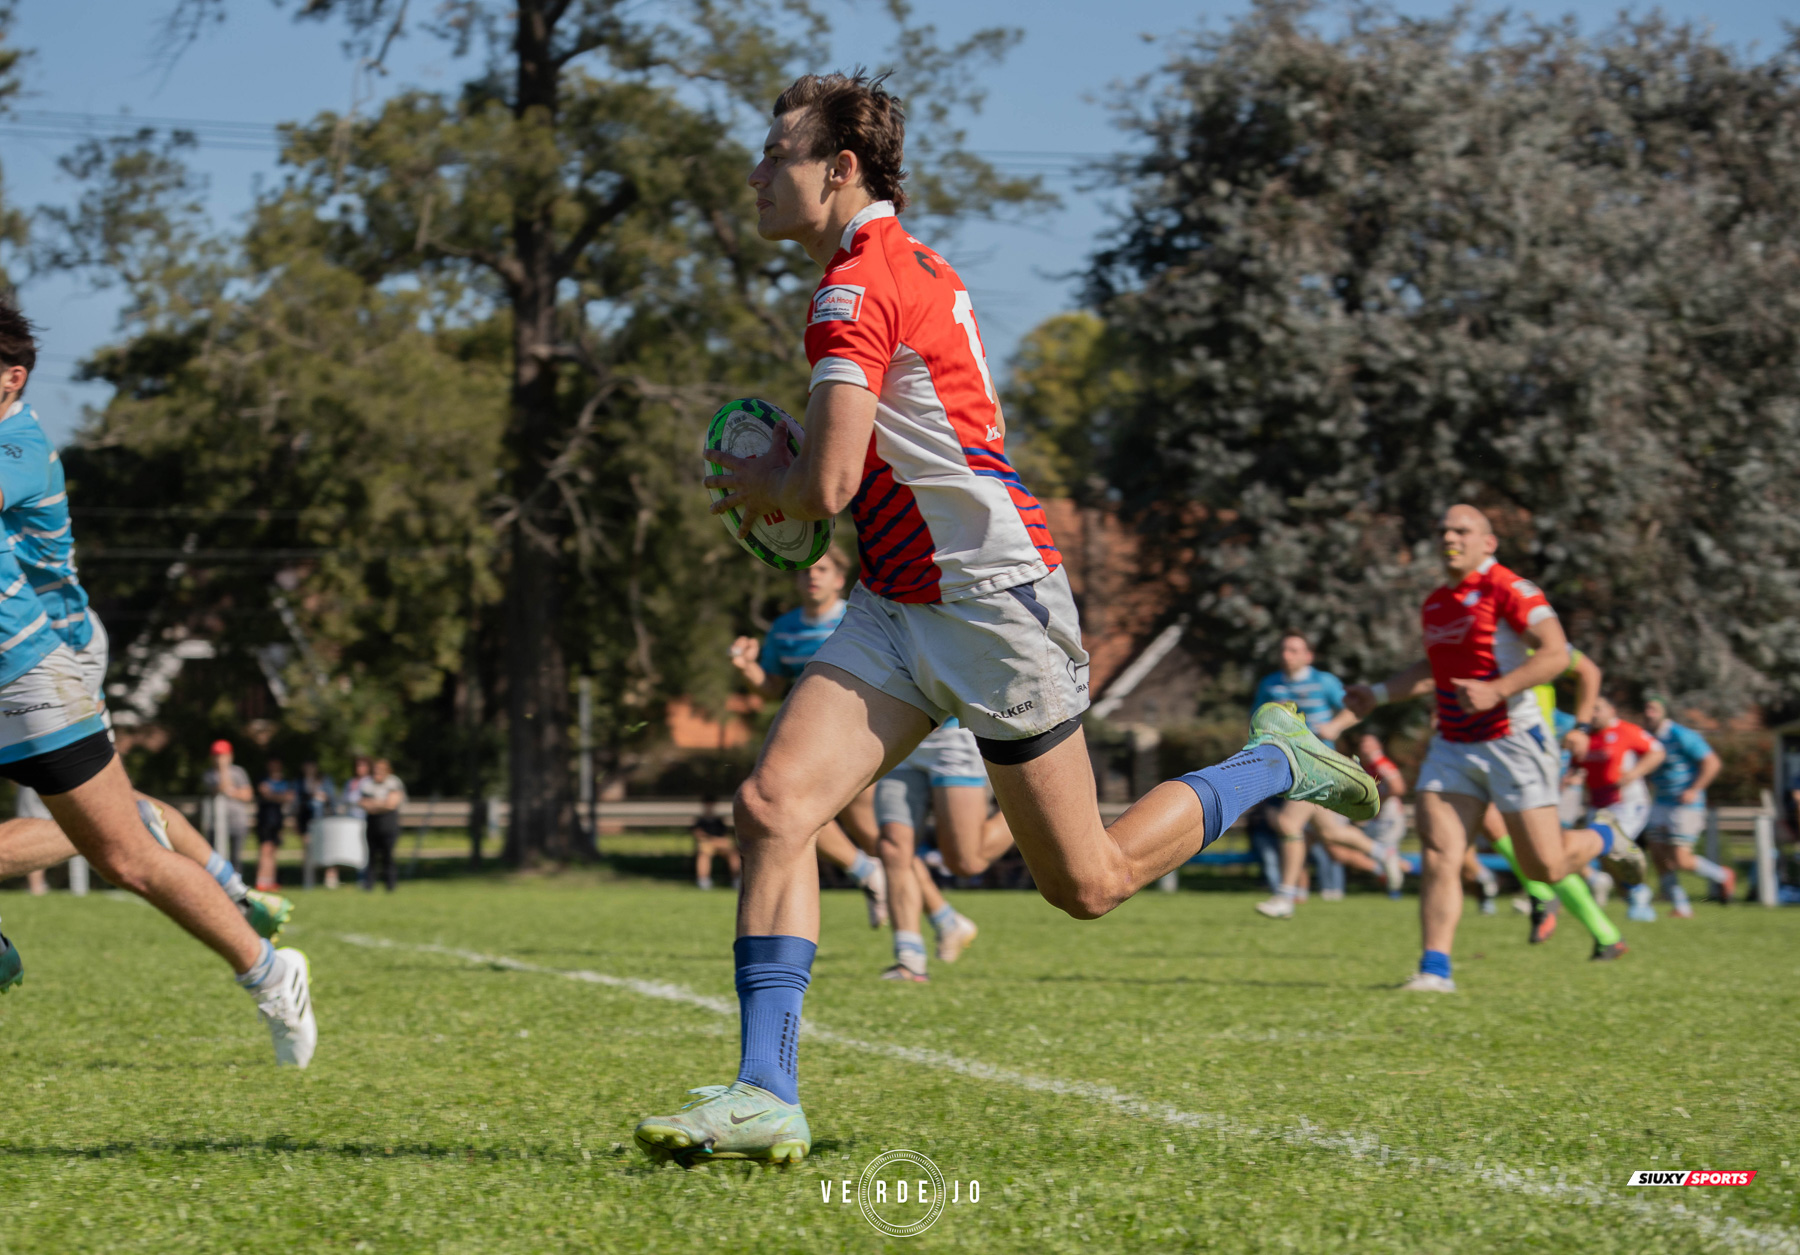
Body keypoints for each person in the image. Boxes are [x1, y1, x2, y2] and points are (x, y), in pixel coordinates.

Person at [633, 72, 1375, 1164]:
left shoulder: (852, 289)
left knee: (1088, 883)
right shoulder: (905, 263)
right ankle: (765, 1094)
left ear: (841, 169)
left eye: (777, 152)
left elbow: (826, 486)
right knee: (773, 806)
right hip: (900, 598)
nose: (757, 173)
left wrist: (763, 485)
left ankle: (1274, 762)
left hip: (991, 605)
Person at [0, 302, 313, 1062]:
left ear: (10, 379)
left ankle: (271, 973)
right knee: (111, 836)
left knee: (124, 857)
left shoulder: (18, 444)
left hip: (35, 667)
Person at [1347, 504, 1646, 991]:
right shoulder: (1437, 602)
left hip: (1515, 740)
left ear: (1488, 542)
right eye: (1443, 530)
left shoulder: (1511, 588)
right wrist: (1378, 693)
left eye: (1462, 530)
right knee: (1440, 852)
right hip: (1453, 743)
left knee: (1543, 866)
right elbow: (1433, 670)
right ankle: (1435, 970)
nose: (1450, 537)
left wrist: (1498, 690)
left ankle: (1606, 836)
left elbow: (1556, 653)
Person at [730, 548, 890, 925]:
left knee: (869, 834)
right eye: (805, 571)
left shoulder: (858, 619)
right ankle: (906, 898)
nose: (812, 576)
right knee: (793, 811)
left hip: (859, 736)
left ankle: (902, 896)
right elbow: (772, 687)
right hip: (807, 742)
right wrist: (747, 668)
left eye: (822, 570)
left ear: (840, 579)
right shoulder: (784, 628)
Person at [1251, 634, 1399, 916]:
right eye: (1283, 649)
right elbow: (1257, 720)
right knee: (1331, 833)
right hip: (1286, 766)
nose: (1287, 654)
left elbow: (1356, 707)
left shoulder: (1324, 682)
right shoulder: (1270, 684)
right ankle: (1384, 853)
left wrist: (1335, 726)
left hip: (1318, 766)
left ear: (1308, 655)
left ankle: (1285, 897)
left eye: (1294, 650)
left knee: (1288, 823)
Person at [871, 721, 995, 980]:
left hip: (953, 737)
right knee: (892, 846)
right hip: (899, 735)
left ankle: (1038, 809)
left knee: (965, 862)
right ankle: (910, 961)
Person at [1641, 694, 1733, 912]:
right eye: (1646, 709)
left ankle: (1723, 875)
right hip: (1661, 801)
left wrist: (1694, 789)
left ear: (1664, 712)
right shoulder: (1647, 738)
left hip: (1685, 805)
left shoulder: (1681, 735)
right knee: (1657, 852)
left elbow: (1712, 763)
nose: (1649, 713)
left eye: (1653, 709)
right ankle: (1681, 907)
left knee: (1681, 859)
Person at [1579, 697, 1665, 923]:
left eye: (1598, 709)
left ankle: (1638, 894)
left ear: (1612, 710)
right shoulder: (1586, 736)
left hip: (1627, 804)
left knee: (1612, 847)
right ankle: (1635, 896)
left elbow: (1657, 752)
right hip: (1598, 805)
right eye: (1590, 709)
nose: (1593, 714)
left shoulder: (1626, 730)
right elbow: (1576, 766)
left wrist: (1634, 773)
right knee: (1604, 856)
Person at [1356, 733, 1409, 899]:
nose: (1364, 748)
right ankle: (1396, 873)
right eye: (1362, 744)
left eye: (1368, 744)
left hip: (1389, 816)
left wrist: (1376, 800)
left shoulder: (1380, 763)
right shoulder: (1367, 765)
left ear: (1377, 746)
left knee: (1385, 852)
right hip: (1379, 817)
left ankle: (1395, 889)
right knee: (1370, 849)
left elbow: (1398, 787)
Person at [200, 740, 255, 872]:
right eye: (217, 755)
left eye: (223, 755)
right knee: (216, 858)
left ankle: (236, 881)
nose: (220, 759)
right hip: (216, 824)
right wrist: (223, 771)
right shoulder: (209, 775)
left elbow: (248, 795)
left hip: (237, 821)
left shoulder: (239, 772)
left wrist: (232, 792)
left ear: (230, 756)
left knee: (236, 857)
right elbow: (221, 788)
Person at [359, 758, 406, 892]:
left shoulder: (394, 782)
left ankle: (390, 885)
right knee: (371, 856)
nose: (377, 773)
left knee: (388, 856)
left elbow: (392, 804)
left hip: (388, 823)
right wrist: (382, 803)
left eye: (380, 771)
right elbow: (363, 803)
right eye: (375, 771)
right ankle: (369, 885)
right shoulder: (367, 783)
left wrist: (374, 803)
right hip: (372, 824)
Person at [254, 758, 294, 892]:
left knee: (273, 851)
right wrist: (279, 797)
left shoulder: (284, 781)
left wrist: (273, 795)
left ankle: (271, 881)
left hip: (278, 820)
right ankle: (261, 880)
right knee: (265, 849)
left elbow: (289, 797)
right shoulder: (263, 779)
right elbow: (266, 794)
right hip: (265, 819)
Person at [691, 795, 741, 891]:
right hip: (706, 844)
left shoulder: (719, 820)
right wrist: (713, 840)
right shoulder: (700, 820)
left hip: (720, 845)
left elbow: (725, 834)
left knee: (734, 853)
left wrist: (720, 841)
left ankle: (736, 880)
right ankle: (703, 880)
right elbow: (698, 834)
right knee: (703, 854)